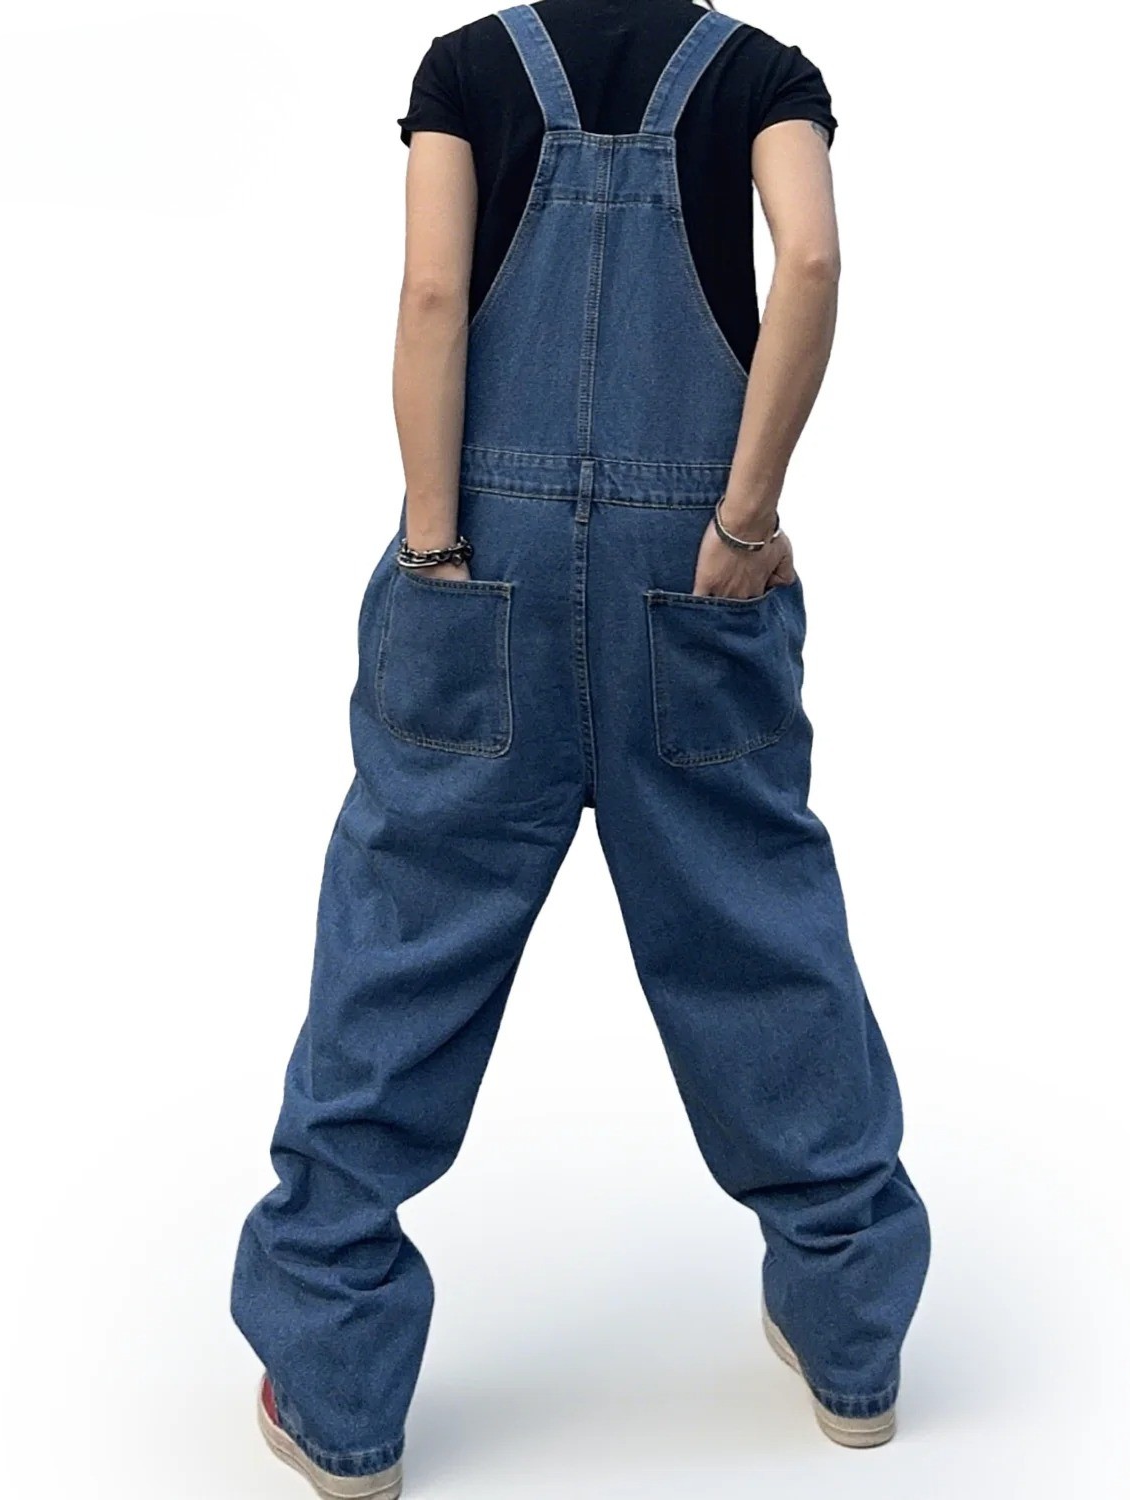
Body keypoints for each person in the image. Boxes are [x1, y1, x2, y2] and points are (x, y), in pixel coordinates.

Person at [231, 3, 930, 1495]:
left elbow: (434, 293)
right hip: (696, 573)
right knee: (760, 933)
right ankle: (851, 1339)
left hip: (484, 557)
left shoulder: (467, 69)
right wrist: (743, 517)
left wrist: (436, 548)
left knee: (404, 947)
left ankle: (339, 1392)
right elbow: (810, 262)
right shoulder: (762, 75)